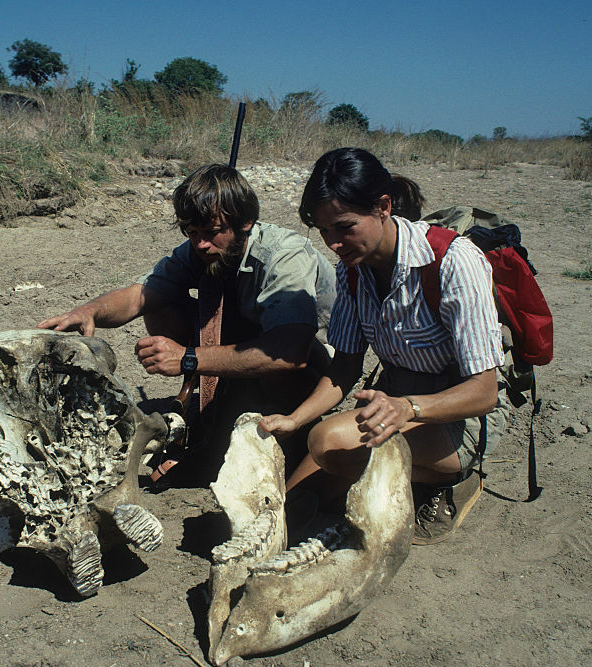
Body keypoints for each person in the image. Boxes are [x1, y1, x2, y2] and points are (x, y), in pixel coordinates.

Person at [260, 147, 510, 545]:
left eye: (344, 227)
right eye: (325, 232)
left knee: (327, 443)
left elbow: (484, 391)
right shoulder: (353, 270)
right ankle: (400, 476)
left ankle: (455, 477)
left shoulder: (453, 261)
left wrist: (408, 407)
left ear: (383, 206)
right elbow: (344, 369)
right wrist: (294, 419)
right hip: (395, 403)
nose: (334, 245)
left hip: (458, 415)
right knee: (293, 504)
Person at [37, 163, 337, 481]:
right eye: (192, 233)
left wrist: (188, 358)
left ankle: (285, 434)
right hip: (252, 339)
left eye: (211, 232)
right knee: (161, 303)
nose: (201, 244)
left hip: (309, 362)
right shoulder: (201, 250)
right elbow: (143, 294)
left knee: (280, 371)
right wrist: (90, 311)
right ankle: (225, 400)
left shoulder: (285, 255)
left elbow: (290, 352)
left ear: (245, 223)